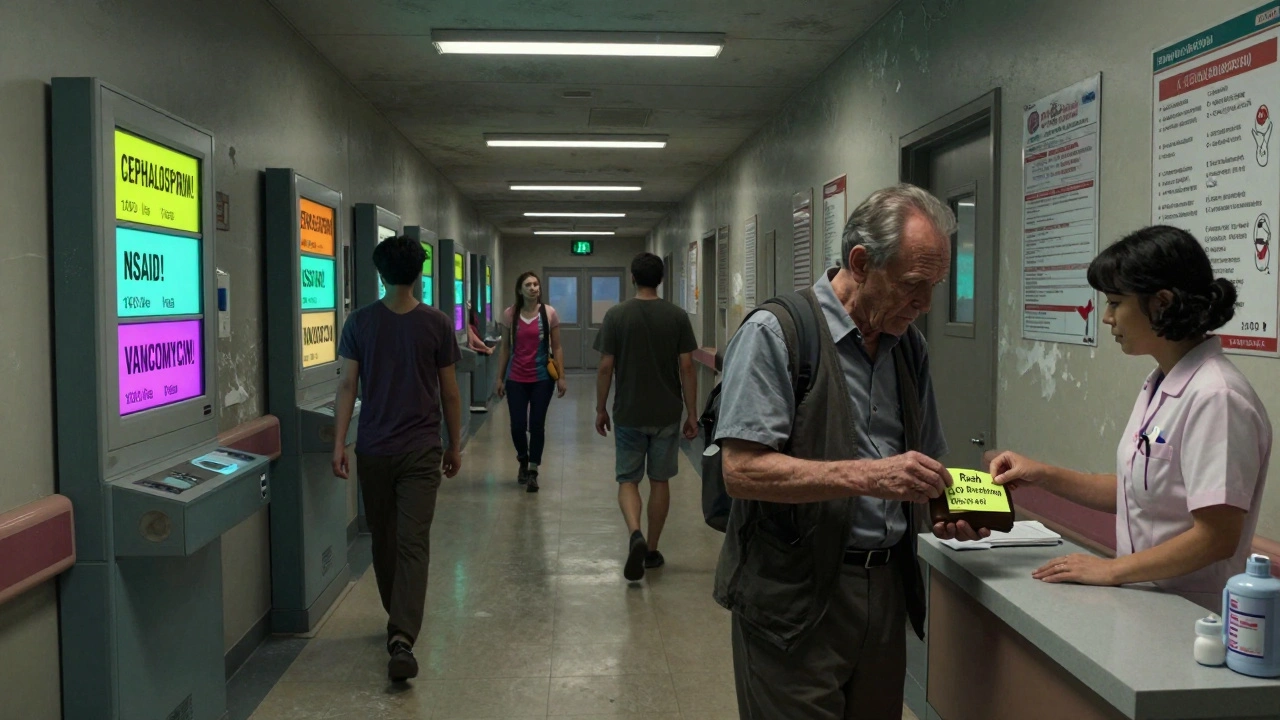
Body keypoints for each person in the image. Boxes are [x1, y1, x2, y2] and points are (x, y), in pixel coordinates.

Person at [712, 184, 985, 719]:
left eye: (935, 287)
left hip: (885, 594)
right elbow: (741, 472)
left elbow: (925, 462)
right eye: (913, 286)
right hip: (794, 599)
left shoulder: (909, 347)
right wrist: (870, 477)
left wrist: (950, 507)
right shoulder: (778, 333)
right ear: (860, 263)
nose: (925, 306)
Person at [989, 225, 1272, 610]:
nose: (1107, 318)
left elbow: (1216, 537)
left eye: (1115, 302)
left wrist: (1111, 570)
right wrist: (1040, 474)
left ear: (1161, 303)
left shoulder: (1217, 396)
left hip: (1192, 612)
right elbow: (1135, 492)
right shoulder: (1161, 383)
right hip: (1149, 602)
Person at [331, 235, 463, 682]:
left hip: (377, 449)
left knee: (396, 540)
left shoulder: (360, 322)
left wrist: (338, 442)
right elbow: (450, 391)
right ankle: (399, 621)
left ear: (380, 273)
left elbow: (347, 386)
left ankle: (402, 636)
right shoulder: (438, 323)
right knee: (397, 543)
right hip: (418, 449)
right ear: (418, 273)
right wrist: (455, 443)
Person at [594, 253, 699, 581]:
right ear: (662, 279)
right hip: (667, 412)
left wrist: (600, 408)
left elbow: (606, 366)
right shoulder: (677, 316)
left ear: (632, 278)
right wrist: (692, 413)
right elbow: (686, 367)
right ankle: (652, 549)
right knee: (660, 480)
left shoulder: (616, 315)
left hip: (629, 411)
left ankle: (635, 532)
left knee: (628, 479)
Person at [496, 271, 567, 492]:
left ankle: (533, 470)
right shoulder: (510, 315)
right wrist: (500, 378)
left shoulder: (548, 313)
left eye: (536, 284)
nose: (533, 288)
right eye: (528, 284)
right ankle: (523, 460)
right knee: (517, 426)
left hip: (542, 379)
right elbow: (505, 348)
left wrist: (561, 377)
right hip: (516, 378)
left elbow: (556, 347)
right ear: (520, 289)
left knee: (537, 425)